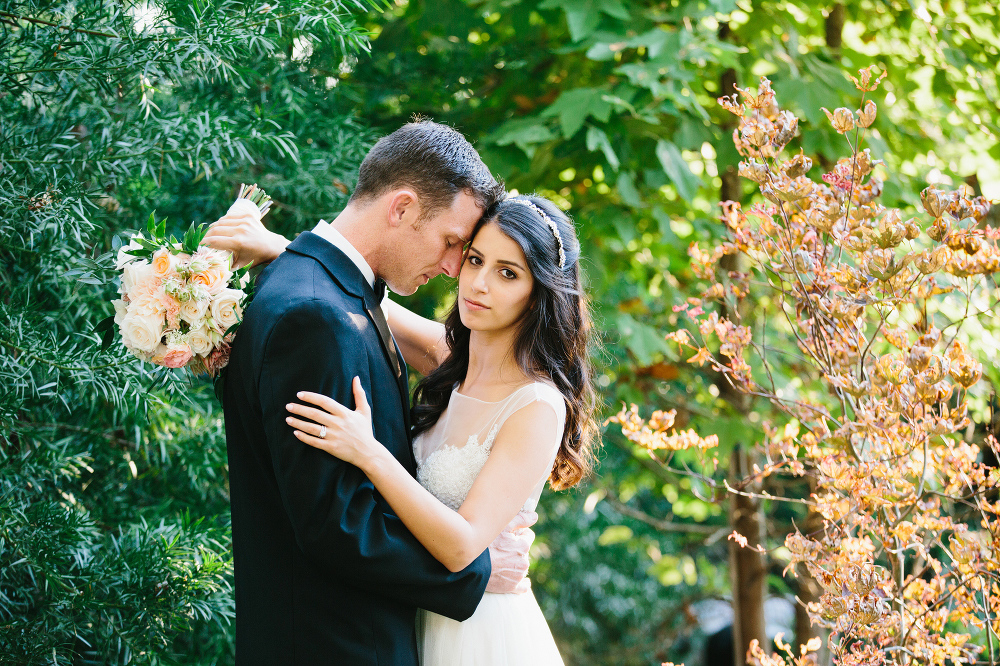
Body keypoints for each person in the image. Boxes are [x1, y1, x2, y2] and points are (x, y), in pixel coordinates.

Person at [204, 120, 534, 666]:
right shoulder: (317, 317)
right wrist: (472, 573)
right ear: (401, 208)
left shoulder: (324, 294)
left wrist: (279, 248)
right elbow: (335, 524)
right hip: (333, 645)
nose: (455, 269)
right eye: (454, 243)